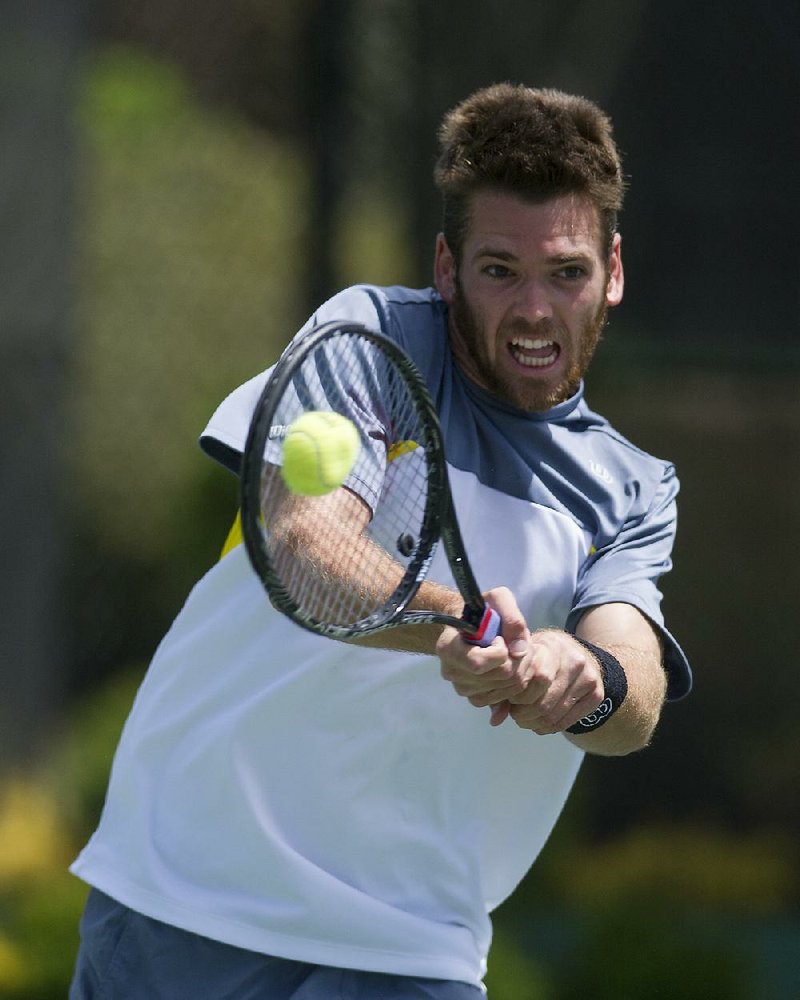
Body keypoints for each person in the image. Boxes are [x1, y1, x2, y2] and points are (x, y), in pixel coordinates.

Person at [69, 83, 691, 999]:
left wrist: (577, 679)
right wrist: (461, 623)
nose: (533, 311)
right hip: (188, 886)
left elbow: (632, 694)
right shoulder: (368, 341)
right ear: (446, 267)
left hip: (414, 944)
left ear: (615, 270)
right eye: (497, 270)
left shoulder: (634, 486)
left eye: (565, 273)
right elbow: (308, 550)